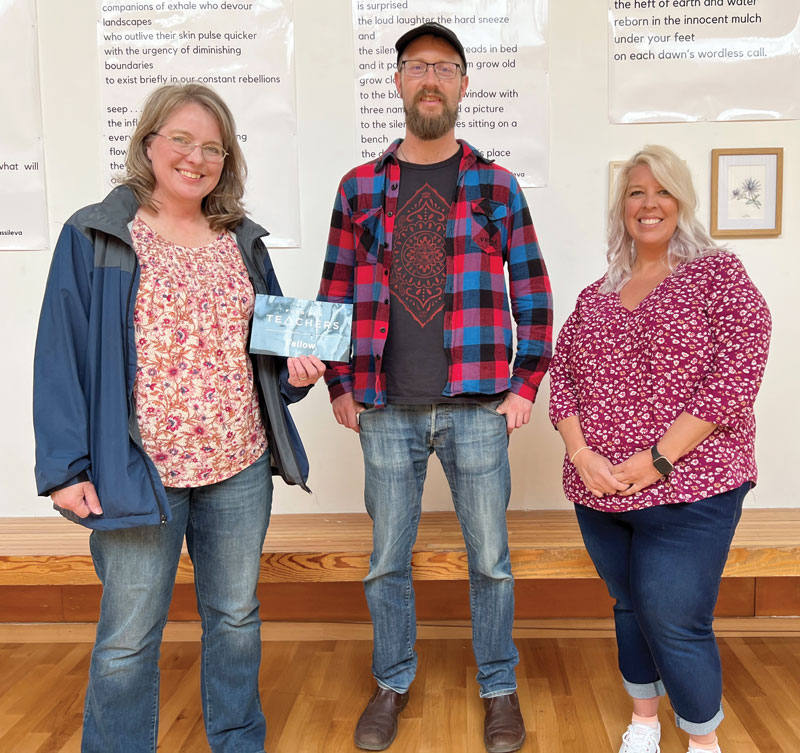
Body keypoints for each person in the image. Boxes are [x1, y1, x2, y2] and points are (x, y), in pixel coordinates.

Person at [33, 83, 325, 753]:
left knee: (236, 617)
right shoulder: (96, 233)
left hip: (239, 464)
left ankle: (237, 739)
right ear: (149, 144)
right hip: (136, 473)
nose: (196, 158)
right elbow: (60, 353)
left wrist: (299, 371)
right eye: (182, 141)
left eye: (213, 148)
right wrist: (63, 468)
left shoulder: (241, 240)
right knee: (130, 634)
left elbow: (269, 349)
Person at [317, 23, 552, 753]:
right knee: (388, 556)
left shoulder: (495, 185)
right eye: (416, 66)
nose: (430, 79)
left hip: (479, 407)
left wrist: (525, 384)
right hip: (385, 407)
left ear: (462, 84)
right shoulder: (357, 188)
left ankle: (498, 684)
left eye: (444, 68)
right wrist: (337, 383)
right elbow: (334, 292)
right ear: (395, 81)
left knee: (490, 558)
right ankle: (391, 679)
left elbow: (534, 289)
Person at [548, 145, 771, 753]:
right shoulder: (599, 294)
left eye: (661, 192)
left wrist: (658, 460)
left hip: (693, 488)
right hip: (601, 492)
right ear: (622, 208)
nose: (649, 204)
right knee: (629, 605)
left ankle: (703, 740)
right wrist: (580, 454)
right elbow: (562, 375)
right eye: (635, 193)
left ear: (682, 202)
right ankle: (644, 721)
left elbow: (736, 374)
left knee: (676, 619)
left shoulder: (718, 275)